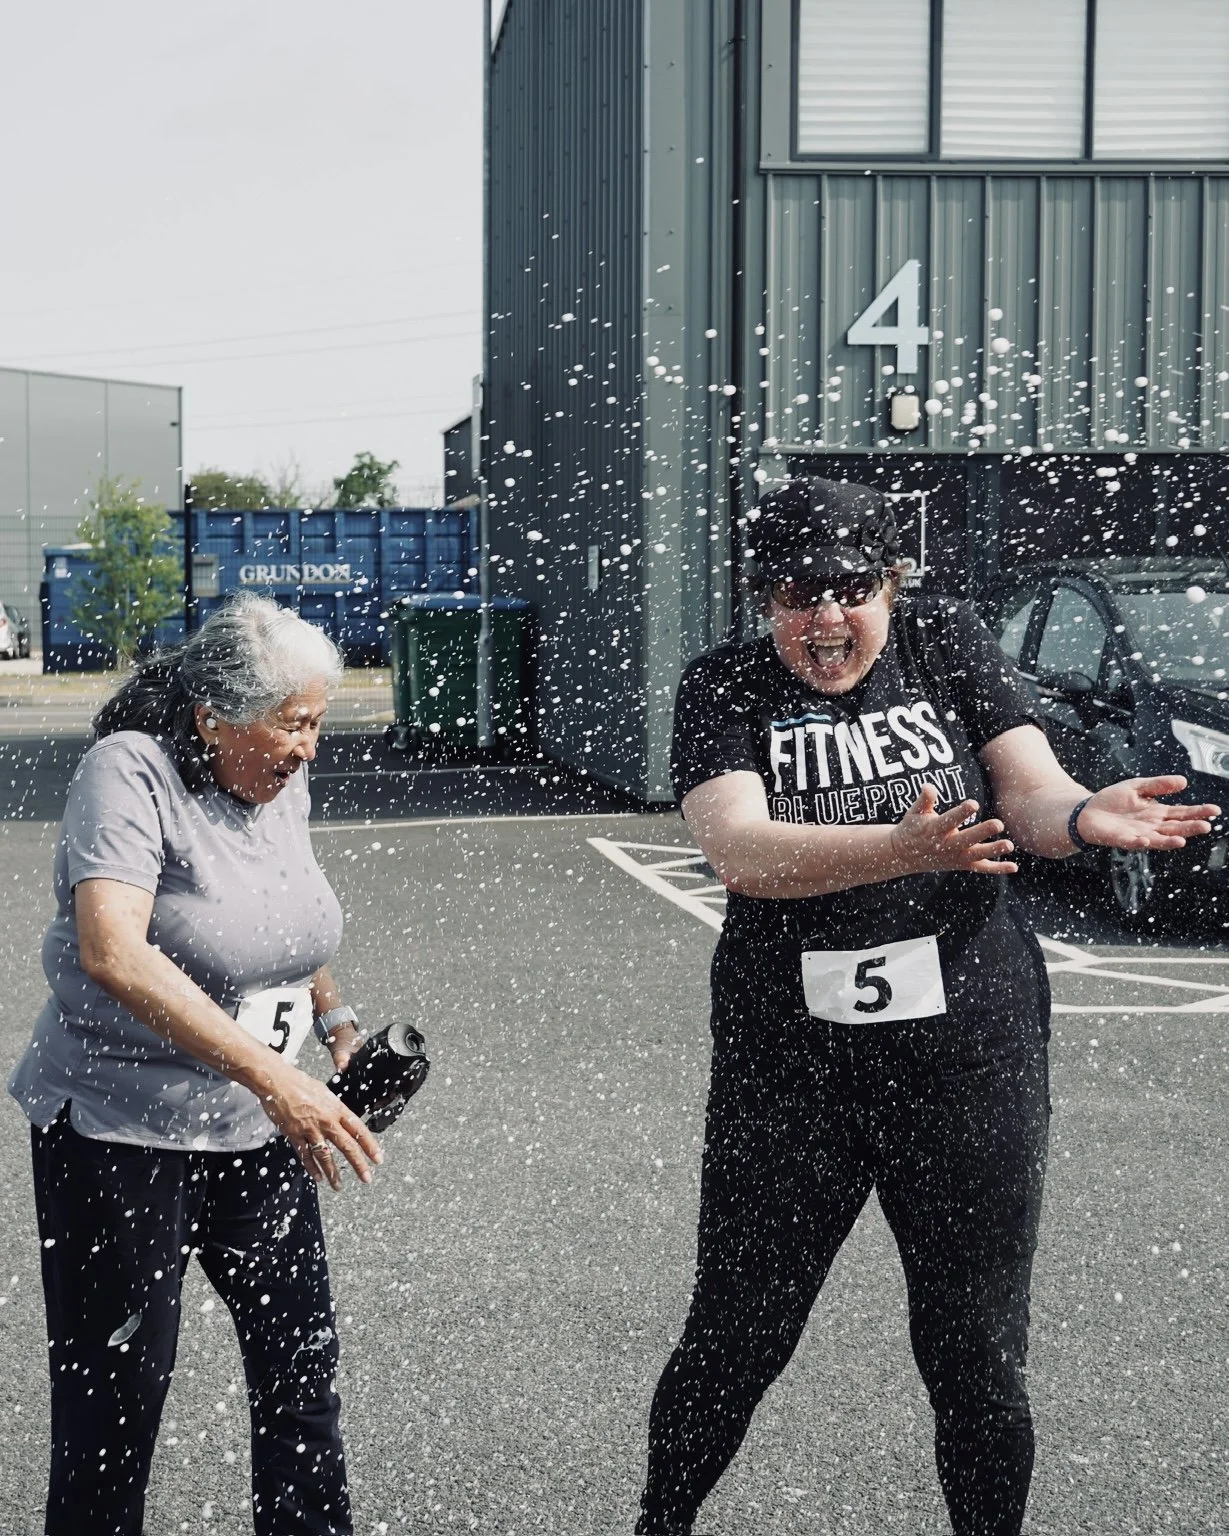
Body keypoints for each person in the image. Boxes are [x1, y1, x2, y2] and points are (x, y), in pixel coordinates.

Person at [635, 478, 1220, 1536]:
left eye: (849, 590)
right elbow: (738, 849)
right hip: (792, 1064)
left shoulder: (944, 643)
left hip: (965, 1056)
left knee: (974, 1347)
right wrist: (898, 847)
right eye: (793, 593)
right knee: (735, 1333)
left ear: (890, 586)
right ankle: (658, 1521)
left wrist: (1086, 815)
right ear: (763, 599)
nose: (822, 619)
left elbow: (1028, 796)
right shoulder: (722, 685)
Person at [9, 593, 384, 1536]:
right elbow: (113, 951)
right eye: (293, 723)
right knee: (116, 1398)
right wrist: (277, 1078)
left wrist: (334, 1015)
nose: (310, 747)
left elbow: (285, 912)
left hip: (254, 1125)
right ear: (213, 715)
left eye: (317, 722)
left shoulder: (277, 779)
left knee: (301, 1372)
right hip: (119, 1131)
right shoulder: (127, 772)